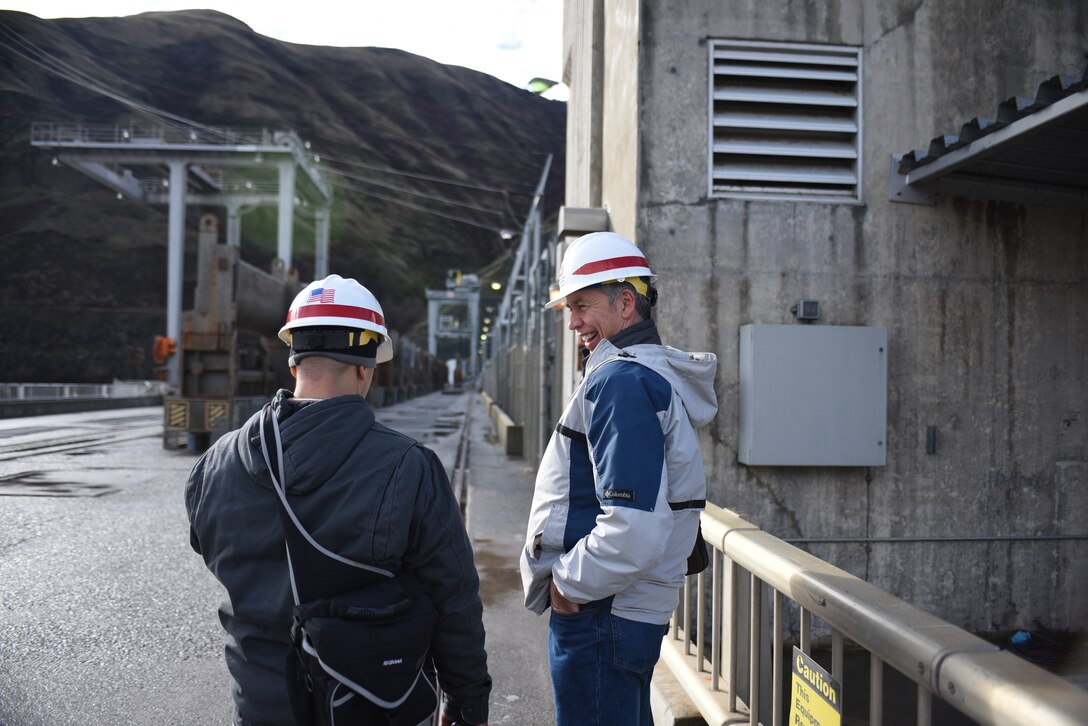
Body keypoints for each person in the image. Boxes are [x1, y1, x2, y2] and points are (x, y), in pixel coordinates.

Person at [185, 274, 490, 726]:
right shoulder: (409, 466)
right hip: (372, 703)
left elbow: (208, 547)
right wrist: (466, 701)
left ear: (293, 362)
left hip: (260, 703)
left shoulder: (217, 462)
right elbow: (453, 597)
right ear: (366, 366)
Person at [519, 233, 718, 726]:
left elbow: (632, 527)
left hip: (601, 611)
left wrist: (566, 585)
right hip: (619, 609)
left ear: (626, 303)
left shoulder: (621, 383)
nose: (573, 323)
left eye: (582, 306)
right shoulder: (643, 375)